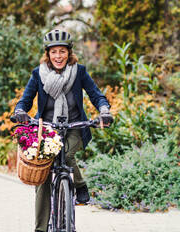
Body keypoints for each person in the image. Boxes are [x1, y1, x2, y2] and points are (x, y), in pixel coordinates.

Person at [12, 29, 113, 232]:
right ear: (48, 54)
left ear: (69, 53)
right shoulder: (38, 74)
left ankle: (78, 183)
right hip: (46, 130)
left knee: (64, 153)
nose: (58, 56)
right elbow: (26, 99)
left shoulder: (79, 72)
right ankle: (40, 228)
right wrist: (20, 110)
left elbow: (97, 95)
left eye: (62, 51)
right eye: (54, 52)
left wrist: (104, 111)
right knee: (43, 178)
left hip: (73, 127)